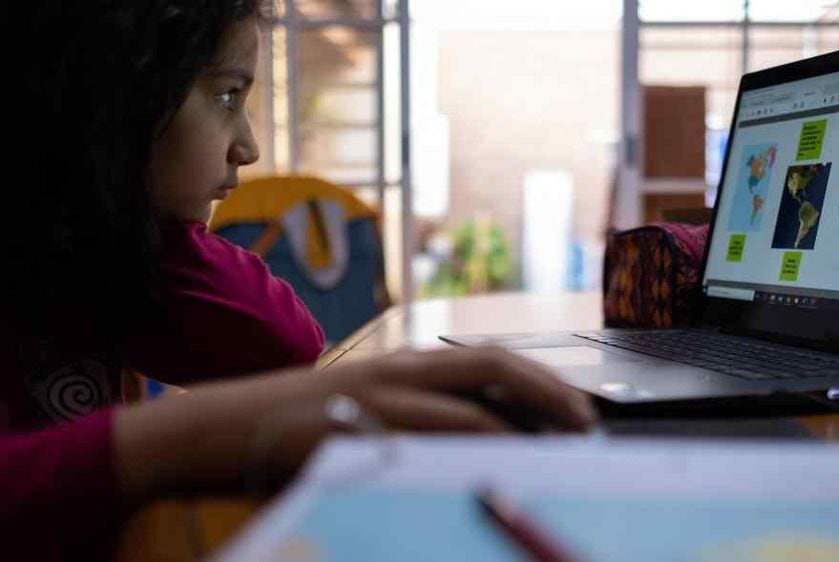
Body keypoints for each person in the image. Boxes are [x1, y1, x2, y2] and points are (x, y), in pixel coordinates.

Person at [0, 1, 598, 559]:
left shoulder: (90, 260)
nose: (248, 147)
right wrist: (179, 440)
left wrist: (116, 196)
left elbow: (277, 342)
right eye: (227, 97)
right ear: (108, 95)